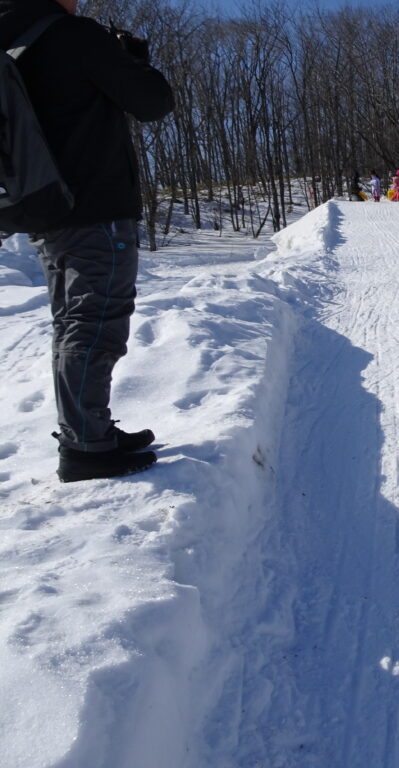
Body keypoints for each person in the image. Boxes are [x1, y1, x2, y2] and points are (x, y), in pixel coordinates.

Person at [0, 0, 175, 481]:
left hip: (47, 208)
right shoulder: (73, 34)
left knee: (74, 322)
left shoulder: (12, 37)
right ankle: (86, 447)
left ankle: (88, 429)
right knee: (96, 323)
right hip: (95, 207)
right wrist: (132, 60)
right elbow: (153, 102)